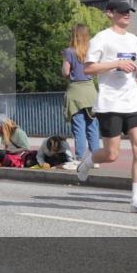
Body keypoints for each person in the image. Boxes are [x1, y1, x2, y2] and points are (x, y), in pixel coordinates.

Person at [75, 0, 137, 214]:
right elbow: (88, 69)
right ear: (109, 14)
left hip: (133, 100)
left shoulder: (133, 40)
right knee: (111, 154)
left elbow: (131, 71)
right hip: (110, 102)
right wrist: (116, 63)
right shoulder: (102, 38)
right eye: (121, 12)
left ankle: (136, 200)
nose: (126, 14)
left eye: (128, 11)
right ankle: (87, 162)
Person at [62, 24, 100, 167]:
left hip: (76, 92)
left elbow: (66, 72)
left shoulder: (69, 52)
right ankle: (95, 160)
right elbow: (95, 71)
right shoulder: (91, 52)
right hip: (90, 91)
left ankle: (80, 158)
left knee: (79, 127)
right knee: (92, 127)